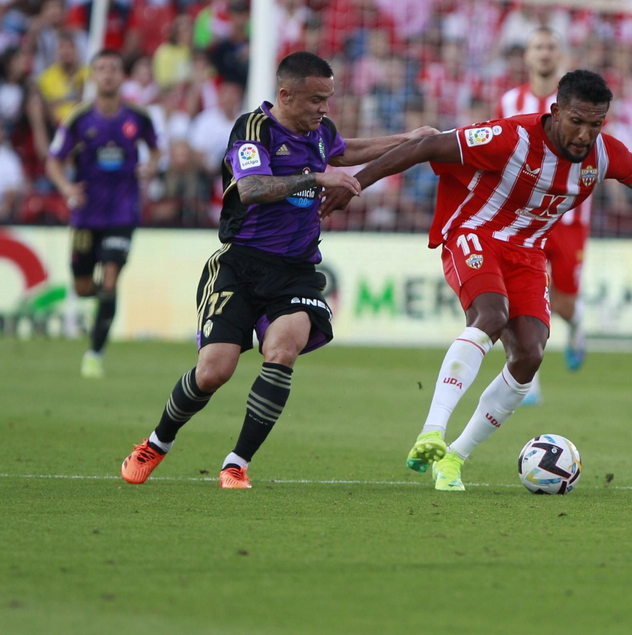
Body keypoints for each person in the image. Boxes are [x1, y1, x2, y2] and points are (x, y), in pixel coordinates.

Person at [329, 69, 632, 492]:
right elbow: (425, 147)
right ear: (556, 111)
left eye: (595, 124)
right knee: (490, 315)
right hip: (474, 234)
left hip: (526, 254)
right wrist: (354, 182)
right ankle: (432, 431)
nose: (584, 135)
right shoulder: (512, 136)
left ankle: (454, 459)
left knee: (529, 354)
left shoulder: (604, 154)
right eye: (577, 121)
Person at [119, 52, 434, 490]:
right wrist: (315, 178)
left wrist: (408, 138)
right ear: (285, 94)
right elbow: (252, 188)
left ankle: (236, 463)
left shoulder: (320, 131)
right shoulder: (253, 130)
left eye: (328, 98)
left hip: (296, 271)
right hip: (240, 265)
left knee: (283, 350)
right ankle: (157, 442)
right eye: (314, 100)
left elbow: (346, 152)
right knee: (214, 371)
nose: (323, 109)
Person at [46, 51, 161, 379]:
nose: (108, 74)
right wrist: (67, 188)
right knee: (83, 287)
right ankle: (106, 304)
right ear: (92, 76)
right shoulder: (79, 118)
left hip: (123, 212)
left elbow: (156, 148)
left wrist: (150, 167)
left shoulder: (138, 117)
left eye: (113, 68)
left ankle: (94, 354)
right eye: (101, 69)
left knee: (109, 279)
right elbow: (54, 159)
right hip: (86, 215)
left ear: (122, 75)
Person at [499, 28, 589, 398]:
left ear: (561, 55)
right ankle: (526, 378)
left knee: (564, 300)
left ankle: (577, 322)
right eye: (538, 47)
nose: (545, 53)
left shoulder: (576, 103)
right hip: (521, 215)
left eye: (551, 46)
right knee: (517, 292)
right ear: (528, 56)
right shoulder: (509, 101)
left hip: (566, 216)